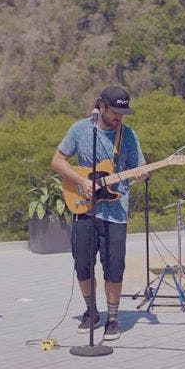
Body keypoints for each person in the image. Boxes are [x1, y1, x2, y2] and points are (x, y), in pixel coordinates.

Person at [51, 85, 147, 341]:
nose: (119, 117)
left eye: (122, 113)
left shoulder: (128, 135)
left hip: (116, 213)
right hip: (83, 208)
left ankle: (113, 317)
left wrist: (142, 173)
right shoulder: (80, 129)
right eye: (114, 112)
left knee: (114, 267)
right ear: (101, 107)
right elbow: (57, 161)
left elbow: (140, 167)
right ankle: (90, 310)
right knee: (82, 264)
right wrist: (81, 182)